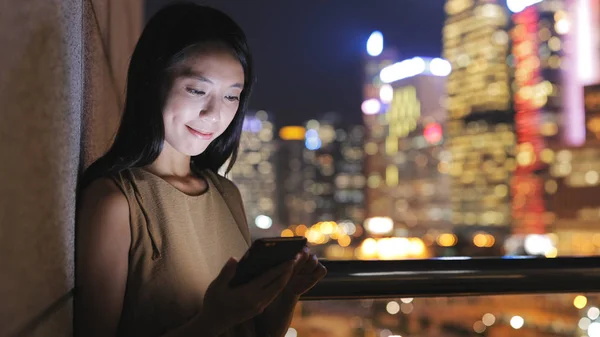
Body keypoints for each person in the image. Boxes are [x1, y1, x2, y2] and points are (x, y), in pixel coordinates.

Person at [74, 3, 327, 337]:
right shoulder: (117, 201)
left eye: (231, 96)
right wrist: (213, 320)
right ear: (152, 81)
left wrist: (288, 292)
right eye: (196, 90)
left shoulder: (226, 194)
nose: (214, 114)